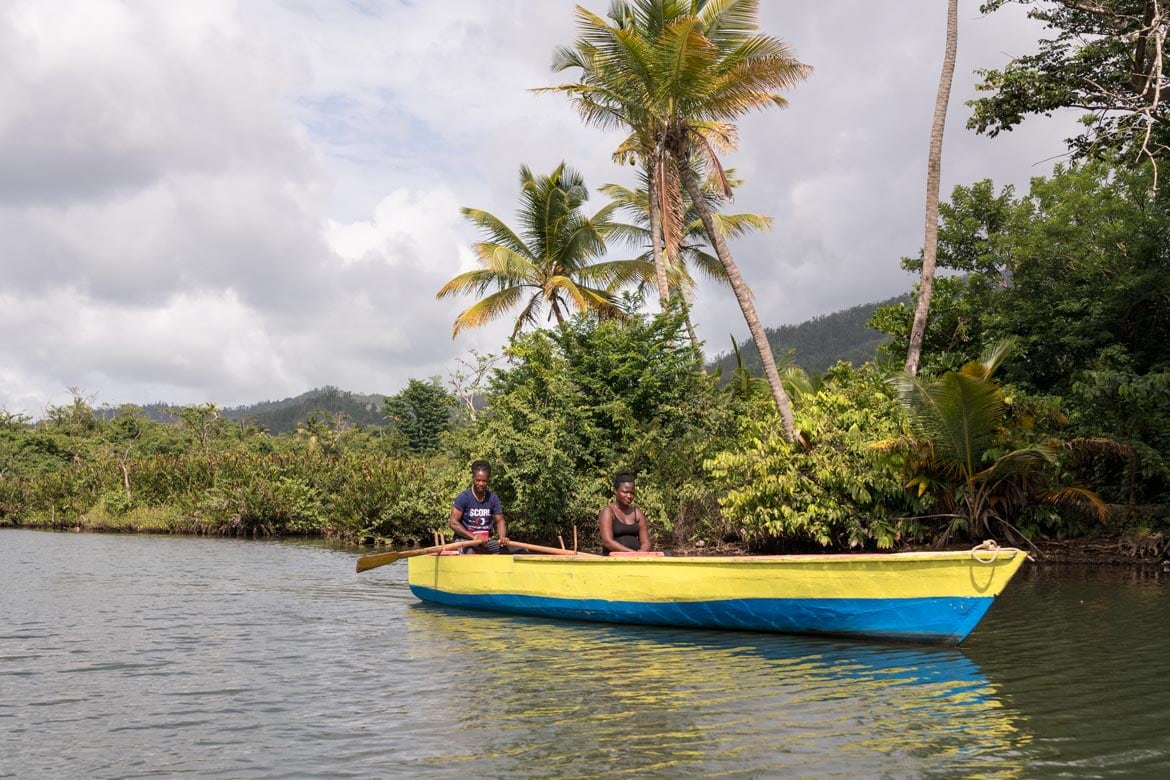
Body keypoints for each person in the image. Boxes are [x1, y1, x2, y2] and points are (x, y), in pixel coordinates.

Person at [448, 460, 510, 553]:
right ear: (473, 478)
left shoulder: (493, 498)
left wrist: (502, 538)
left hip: (485, 542)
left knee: (516, 550)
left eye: (484, 481)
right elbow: (453, 523)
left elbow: (500, 521)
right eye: (478, 480)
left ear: (488, 481)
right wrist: (474, 537)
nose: (481, 483)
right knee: (471, 554)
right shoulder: (463, 497)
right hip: (465, 541)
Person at [598, 472, 651, 555]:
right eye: (625, 492)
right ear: (615, 491)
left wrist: (642, 552)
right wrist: (632, 554)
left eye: (632, 493)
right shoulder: (608, 512)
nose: (629, 496)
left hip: (636, 559)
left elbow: (646, 541)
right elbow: (608, 542)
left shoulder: (638, 513)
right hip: (614, 560)